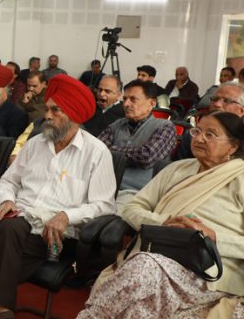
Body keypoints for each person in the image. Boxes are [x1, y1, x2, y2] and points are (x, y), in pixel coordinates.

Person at [0, 74, 116, 318]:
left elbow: (104, 205)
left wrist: (66, 216)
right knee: (8, 229)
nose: (47, 115)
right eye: (48, 109)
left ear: (75, 116)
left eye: (56, 110)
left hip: (54, 236)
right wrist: (7, 199)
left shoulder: (96, 152)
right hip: (18, 220)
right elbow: (8, 181)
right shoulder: (34, 144)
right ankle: (3, 311)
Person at [78, 111, 244, 319]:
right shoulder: (176, 169)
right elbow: (132, 208)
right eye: (197, 131)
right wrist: (162, 222)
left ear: (233, 146)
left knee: (144, 267)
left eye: (211, 134)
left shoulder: (240, 178)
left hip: (210, 271)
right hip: (161, 252)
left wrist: (212, 237)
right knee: (139, 305)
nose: (200, 138)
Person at [98, 80, 176, 207]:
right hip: (103, 187)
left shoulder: (165, 127)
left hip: (136, 194)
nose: (126, 104)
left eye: (133, 99)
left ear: (151, 103)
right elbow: (97, 151)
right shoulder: (117, 125)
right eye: (125, 99)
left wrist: (111, 150)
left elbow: (147, 157)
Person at [175, 83, 244, 160]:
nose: (217, 104)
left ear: (241, 111)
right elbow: (180, 167)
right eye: (215, 99)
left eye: (226, 101)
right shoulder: (193, 136)